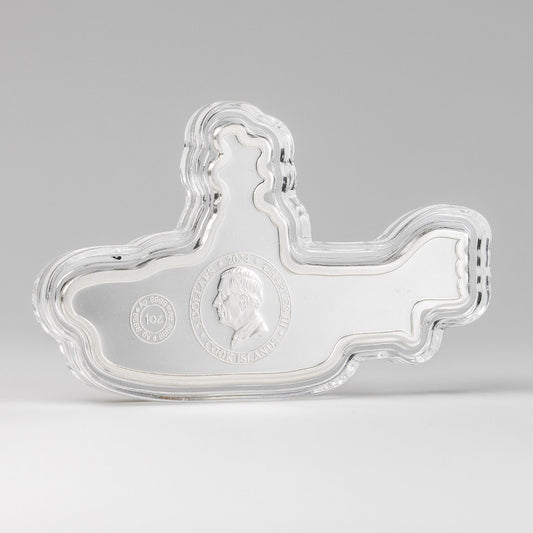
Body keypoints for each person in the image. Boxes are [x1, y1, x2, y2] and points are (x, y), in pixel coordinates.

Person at [212, 266, 268, 349]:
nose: (215, 303)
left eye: (223, 296)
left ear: (243, 301)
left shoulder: (257, 333)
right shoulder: (241, 334)